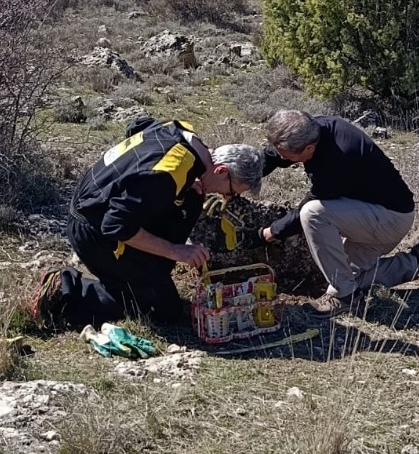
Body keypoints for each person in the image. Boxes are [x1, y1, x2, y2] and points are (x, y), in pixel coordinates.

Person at [30, 119, 265, 329]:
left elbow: (138, 125)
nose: (225, 196)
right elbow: (116, 225)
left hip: (95, 203)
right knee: (160, 309)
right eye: (231, 191)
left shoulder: (184, 134)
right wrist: (175, 251)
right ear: (221, 170)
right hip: (91, 229)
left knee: (192, 199)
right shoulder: (170, 174)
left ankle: (149, 273)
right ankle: (64, 290)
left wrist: (182, 183)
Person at [258, 109, 419, 314]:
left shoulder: (340, 157)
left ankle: (345, 298)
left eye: (288, 156)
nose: (282, 159)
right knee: (348, 278)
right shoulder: (311, 127)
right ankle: (418, 262)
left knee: (312, 213)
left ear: (309, 148)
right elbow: (274, 156)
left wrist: (273, 231)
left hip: (389, 218)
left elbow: (307, 205)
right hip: (369, 211)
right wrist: (243, 176)